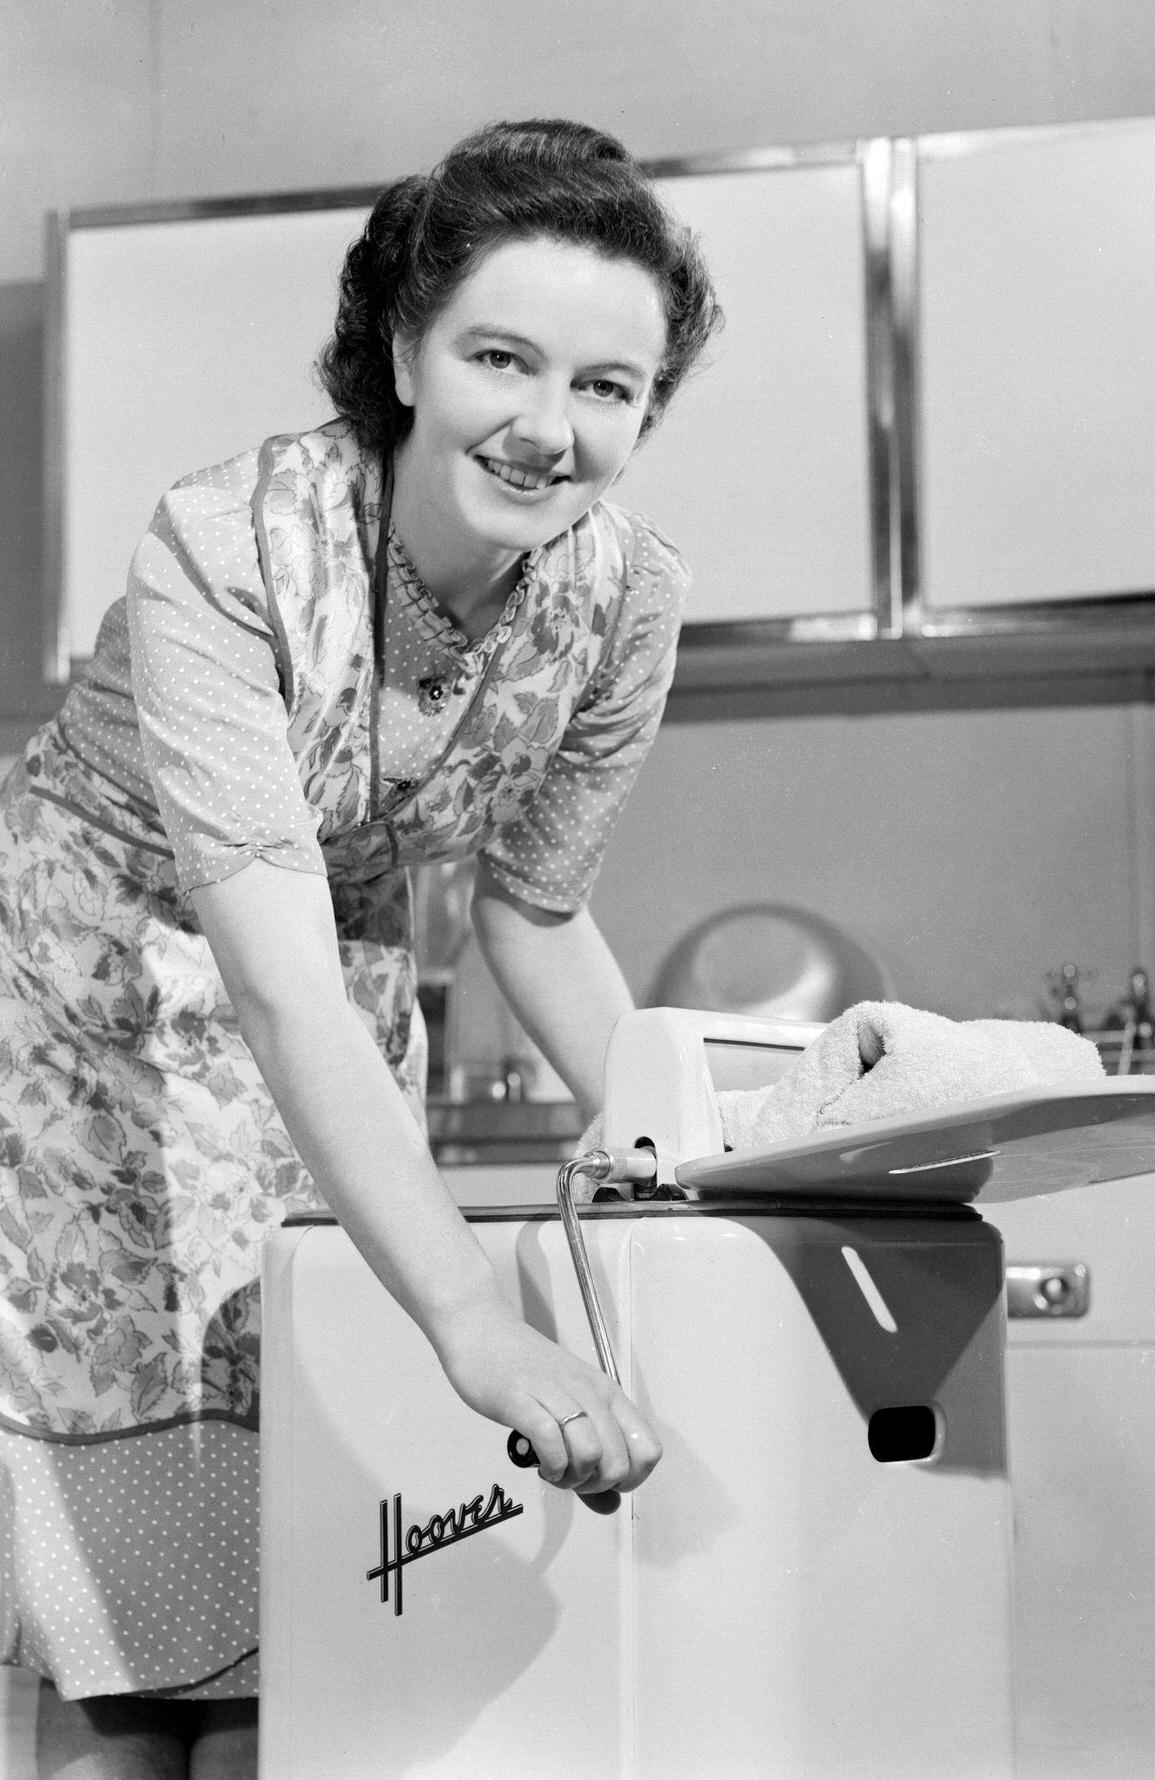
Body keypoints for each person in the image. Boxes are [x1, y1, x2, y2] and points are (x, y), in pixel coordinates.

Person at [0, 117, 720, 1778]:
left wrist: (707, 1153)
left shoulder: (623, 601)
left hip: (329, 993)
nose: (551, 430)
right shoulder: (227, 547)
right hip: (84, 1012)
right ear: (404, 348)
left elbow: (534, 914)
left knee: (312, 1568)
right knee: (134, 1611)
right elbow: (268, 973)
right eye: (500, 358)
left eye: (608, 388)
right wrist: (472, 1314)